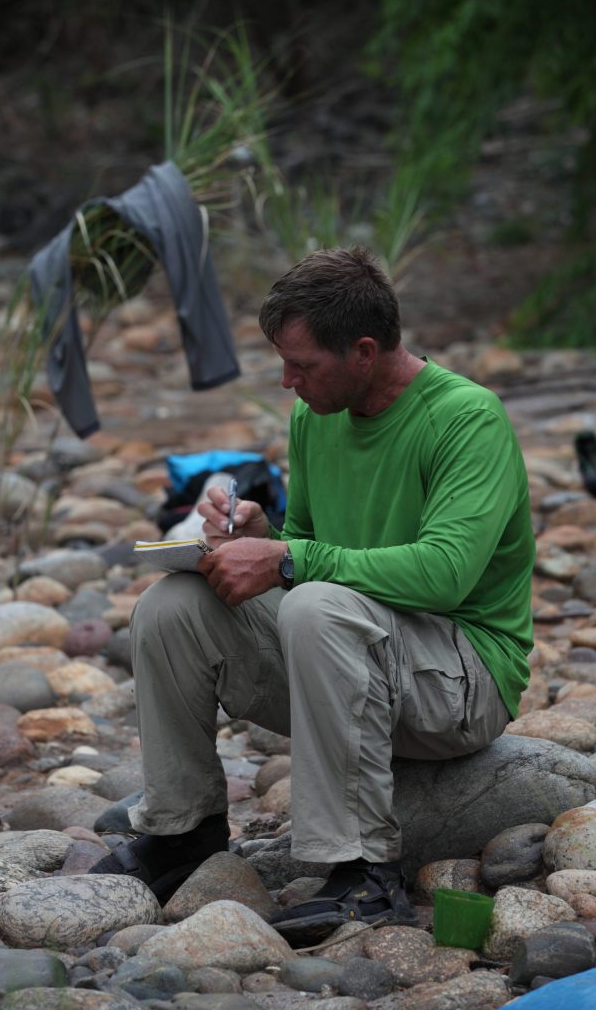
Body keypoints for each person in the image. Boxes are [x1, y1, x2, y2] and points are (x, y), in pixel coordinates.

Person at [91, 246, 535, 946]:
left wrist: (289, 558)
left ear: (364, 350)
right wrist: (263, 535)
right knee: (174, 605)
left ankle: (363, 873)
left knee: (313, 601)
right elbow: (312, 540)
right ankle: (184, 831)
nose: (286, 381)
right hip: (353, 660)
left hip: (460, 680)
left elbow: (445, 573)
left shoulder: (465, 419)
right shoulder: (316, 413)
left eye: (302, 365)